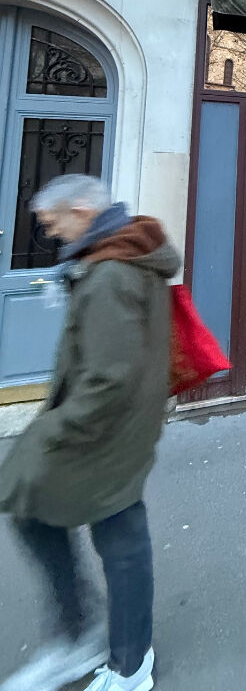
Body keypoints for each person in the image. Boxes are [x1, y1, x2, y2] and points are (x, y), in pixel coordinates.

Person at [0, 174, 180, 691]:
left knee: (114, 537)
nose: (51, 232)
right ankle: (87, 636)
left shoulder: (111, 272)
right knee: (49, 514)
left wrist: (52, 431)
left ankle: (125, 660)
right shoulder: (121, 256)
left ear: (81, 210)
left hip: (105, 430)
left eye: (53, 221)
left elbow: (108, 378)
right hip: (118, 423)